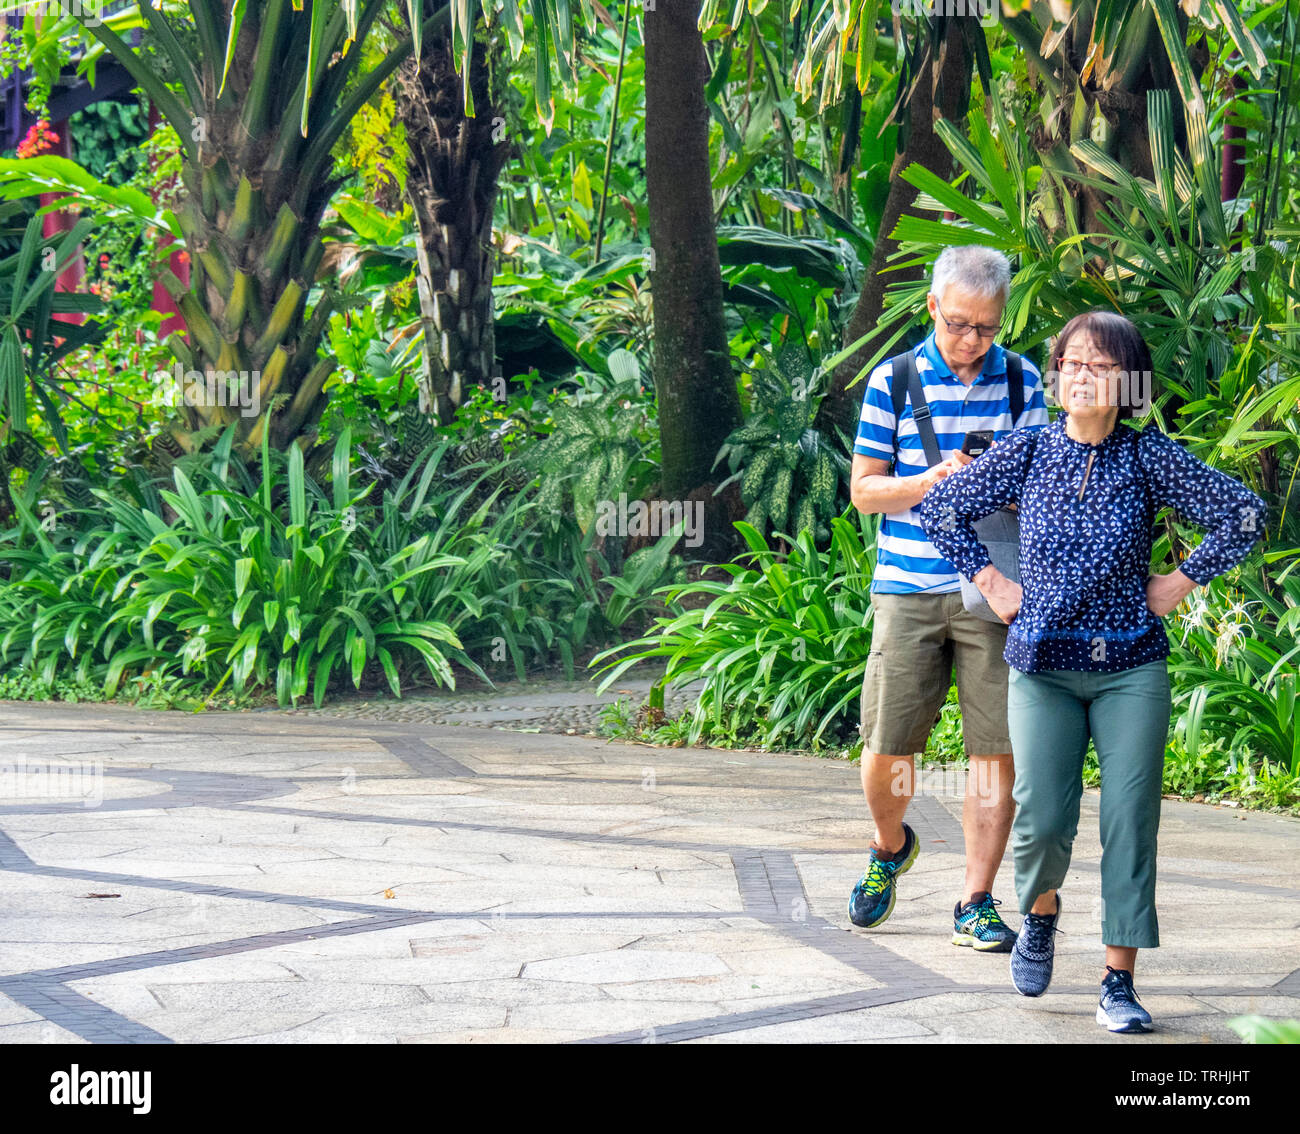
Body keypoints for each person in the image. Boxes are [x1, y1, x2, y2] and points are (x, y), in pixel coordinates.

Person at [919, 310, 1266, 1032]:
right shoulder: (1029, 450)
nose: (1083, 375)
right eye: (1073, 362)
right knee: (1043, 817)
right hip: (1043, 666)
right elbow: (942, 507)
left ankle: (1118, 979)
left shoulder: (1148, 457)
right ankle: (1040, 914)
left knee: (1128, 821)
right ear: (1057, 374)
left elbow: (1243, 513)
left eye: (1101, 366)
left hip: (1129, 669)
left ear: (1128, 382)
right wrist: (989, 578)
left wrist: (1180, 581)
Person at [848, 245, 1049, 951]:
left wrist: (997, 480)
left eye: (987, 328)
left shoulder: (1025, 383)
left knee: (995, 752)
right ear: (933, 306)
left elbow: (1044, 491)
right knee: (888, 748)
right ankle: (889, 844)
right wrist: (934, 480)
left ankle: (975, 901)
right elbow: (865, 490)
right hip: (907, 587)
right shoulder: (893, 380)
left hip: (994, 589)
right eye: (960, 323)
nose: (972, 341)